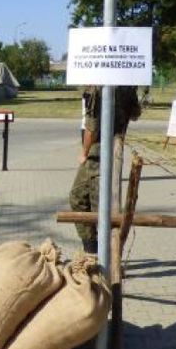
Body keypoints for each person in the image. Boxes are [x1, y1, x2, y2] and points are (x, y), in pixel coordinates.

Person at [69, 85, 142, 254]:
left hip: (98, 152)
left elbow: (91, 127)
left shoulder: (98, 87)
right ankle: (92, 249)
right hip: (113, 147)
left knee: (97, 205)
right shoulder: (126, 83)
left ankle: (102, 256)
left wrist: (84, 152)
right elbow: (135, 113)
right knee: (79, 197)